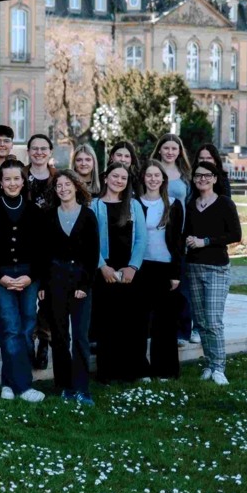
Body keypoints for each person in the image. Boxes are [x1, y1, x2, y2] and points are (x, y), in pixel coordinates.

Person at [0, 157, 45, 403]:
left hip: (29, 276)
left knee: (26, 330)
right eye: (8, 179)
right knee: (9, 329)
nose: (13, 183)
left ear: (24, 181)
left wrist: (31, 277)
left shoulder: (35, 211)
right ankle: (24, 387)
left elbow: (42, 250)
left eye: (17, 178)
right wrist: (0, 277)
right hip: (0, 276)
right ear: (1, 182)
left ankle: (9, 381)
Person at [40, 170, 99, 405]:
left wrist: (85, 284)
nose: (63, 188)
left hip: (80, 280)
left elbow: (93, 254)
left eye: (67, 184)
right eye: (58, 185)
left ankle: (83, 387)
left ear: (76, 187)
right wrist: (43, 284)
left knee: (81, 337)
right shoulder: (48, 216)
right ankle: (66, 386)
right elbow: (43, 254)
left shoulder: (88, 216)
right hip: (55, 279)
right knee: (61, 336)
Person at [184, 162, 242, 386]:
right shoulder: (191, 205)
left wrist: (205, 241)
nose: (202, 179)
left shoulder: (225, 204)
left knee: (213, 320)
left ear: (215, 179)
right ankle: (209, 364)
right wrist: (189, 240)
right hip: (194, 267)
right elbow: (187, 232)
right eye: (198, 176)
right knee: (201, 321)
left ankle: (219, 367)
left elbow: (235, 234)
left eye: (207, 175)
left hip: (217, 269)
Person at [90, 162, 148, 384]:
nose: (119, 181)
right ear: (105, 178)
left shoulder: (133, 205)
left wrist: (133, 267)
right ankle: (107, 373)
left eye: (123, 178)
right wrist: (102, 266)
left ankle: (130, 371)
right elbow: (89, 240)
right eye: (115, 176)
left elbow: (142, 239)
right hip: (103, 271)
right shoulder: (94, 205)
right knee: (106, 323)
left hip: (129, 272)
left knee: (130, 323)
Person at [138, 160, 185, 380]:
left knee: (164, 322)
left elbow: (177, 241)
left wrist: (176, 273)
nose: (153, 179)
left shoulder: (174, 205)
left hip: (165, 268)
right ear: (143, 178)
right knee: (140, 320)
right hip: (140, 267)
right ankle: (141, 368)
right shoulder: (134, 203)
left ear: (163, 179)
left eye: (157, 175)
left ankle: (165, 369)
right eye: (149, 175)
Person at [151, 133, 197, 345]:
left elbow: (189, 205)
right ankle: (153, 328)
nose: (170, 152)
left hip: (178, 234)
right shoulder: (151, 171)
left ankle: (181, 331)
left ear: (179, 152)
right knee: (156, 284)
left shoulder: (186, 175)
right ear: (160, 149)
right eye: (166, 148)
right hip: (154, 233)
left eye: (174, 149)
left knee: (180, 284)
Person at [25, 134, 56, 370]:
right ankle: (26, 345)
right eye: (34, 148)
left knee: (48, 301)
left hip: (52, 246)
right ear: (28, 151)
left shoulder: (59, 178)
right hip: (25, 245)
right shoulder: (20, 175)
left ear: (50, 151)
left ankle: (43, 344)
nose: (38, 152)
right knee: (26, 301)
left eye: (43, 148)